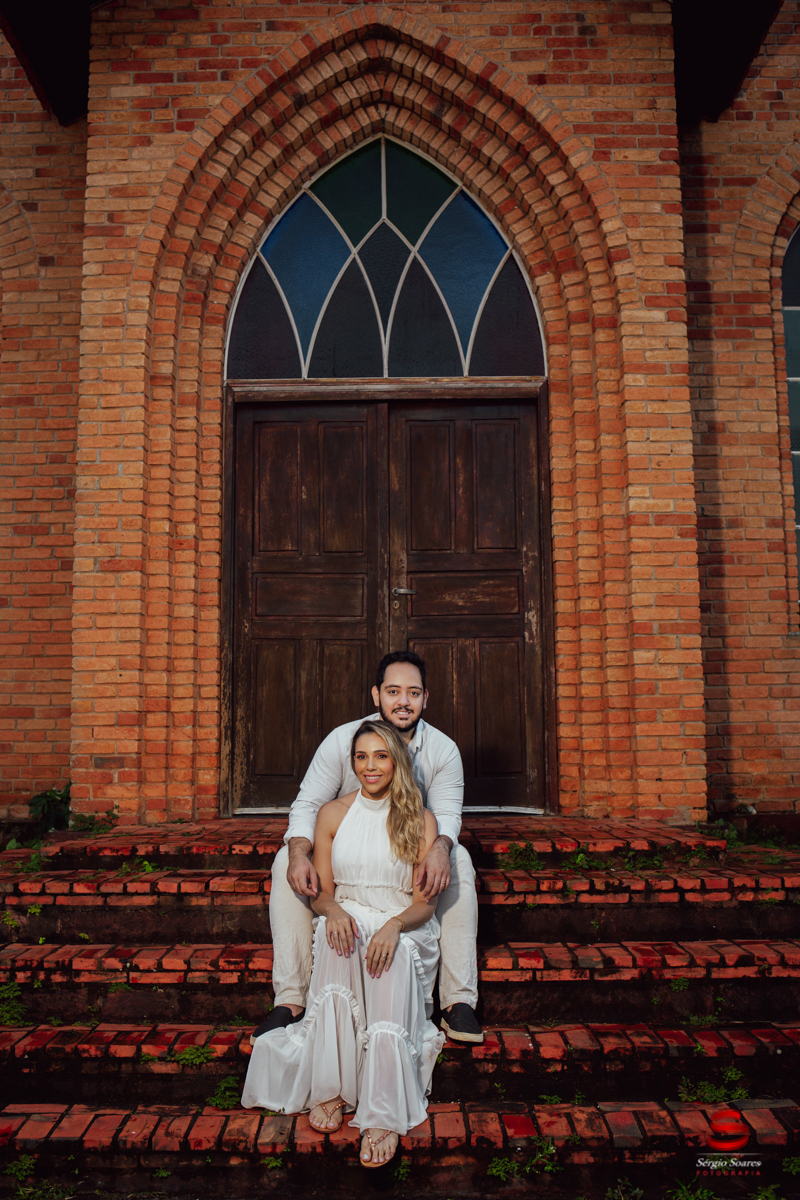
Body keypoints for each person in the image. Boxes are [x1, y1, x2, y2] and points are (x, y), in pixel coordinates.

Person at [242, 720, 445, 1168]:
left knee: (393, 955)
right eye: (361, 757)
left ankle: (383, 1110)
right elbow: (323, 893)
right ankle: (332, 1087)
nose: (370, 766)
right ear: (352, 763)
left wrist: (394, 925)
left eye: (380, 756)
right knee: (335, 937)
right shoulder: (332, 814)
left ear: (397, 761)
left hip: (401, 924)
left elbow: (424, 905)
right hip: (348, 914)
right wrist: (332, 911)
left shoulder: (420, 819)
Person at [258, 650, 483, 1044]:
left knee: (458, 858)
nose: (403, 701)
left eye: (413, 693)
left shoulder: (443, 749)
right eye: (393, 691)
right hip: (350, 851)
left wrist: (440, 847)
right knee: (284, 860)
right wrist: (297, 853)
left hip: (405, 852)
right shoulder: (343, 740)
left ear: (425, 698)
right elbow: (308, 804)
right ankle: (291, 999)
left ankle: (457, 1001)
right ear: (376, 695)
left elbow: (447, 814)